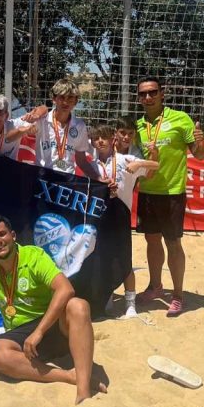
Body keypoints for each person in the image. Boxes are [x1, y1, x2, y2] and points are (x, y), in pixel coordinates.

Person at [0, 215, 106, 405]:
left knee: (78, 305)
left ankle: (83, 389)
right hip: (21, 334)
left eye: (2, 234)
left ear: (13, 235)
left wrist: (39, 331)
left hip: (50, 324)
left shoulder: (34, 256)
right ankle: (70, 376)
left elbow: (66, 289)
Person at [134, 76, 204, 317]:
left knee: (173, 243)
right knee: (151, 241)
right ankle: (155, 287)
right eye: (143, 93)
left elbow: (199, 155)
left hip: (172, 193)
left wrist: (199, 142)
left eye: (152, 92)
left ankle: (177, 295)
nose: (148, 97)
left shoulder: (180, 118)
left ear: (162, 93)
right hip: (147, 192)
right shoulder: (138, 125)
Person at [90, 125, 159, 317]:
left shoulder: (125, 159)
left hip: (121, 214)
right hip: (100, 216)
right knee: (102, 258)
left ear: (113, 139)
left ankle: (130, 303)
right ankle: (107, 297)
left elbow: (155, 167)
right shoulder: (92, 166)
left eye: (104, 137)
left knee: (124, 259)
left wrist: (140, 164)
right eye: (96, 138)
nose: (100, 141)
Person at [8, 79, 99, 179]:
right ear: (54, 99)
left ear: (76, 101)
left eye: (70, 98)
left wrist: (99, 179)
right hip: (42, 178)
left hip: (67, 180)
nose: (65, 102)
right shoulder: (41, 120)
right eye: (62, 97)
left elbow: (81, 160)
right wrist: (24, 131)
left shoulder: (79, 125)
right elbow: (8, 138)